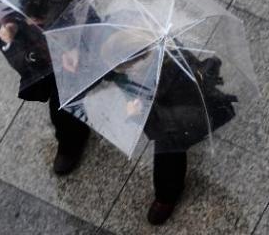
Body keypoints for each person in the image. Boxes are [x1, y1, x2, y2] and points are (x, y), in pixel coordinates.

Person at [92, 27, 237, 225]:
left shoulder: (170, 77)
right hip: (167, 101)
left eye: (121, 68)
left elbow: (163, 125)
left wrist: (139, 113)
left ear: (137, 62)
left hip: (185, 115)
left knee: (168, 154)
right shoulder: (148, 48)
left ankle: (167, 196)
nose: (119, 73)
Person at [0, 0, 99, 176]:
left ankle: (74, 136)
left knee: (69, 104)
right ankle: (71, 140)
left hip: (77, 64)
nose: (33, 24)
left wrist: (74, 48)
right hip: (49, 72)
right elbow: (20, 62)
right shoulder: (11, 18)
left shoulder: (74, 6)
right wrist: (11, 43)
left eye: (38, 22)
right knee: (61, 110)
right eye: (30, 21)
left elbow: (96, 31)